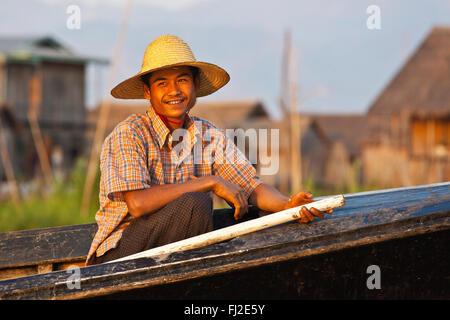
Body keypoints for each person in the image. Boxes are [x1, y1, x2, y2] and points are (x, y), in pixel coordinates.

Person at [86, 35, 332, 266]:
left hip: (171, 254)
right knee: (196, 203)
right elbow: (137, 204)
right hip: (119, 257)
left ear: (195, 86)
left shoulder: (207, 134)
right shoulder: (130, 132)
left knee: (231, 211)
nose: (174, 91)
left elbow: (248, 185)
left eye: (182, 80)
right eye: (162, 83)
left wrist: (287, 205)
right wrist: (209, 182)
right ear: (148, 92)